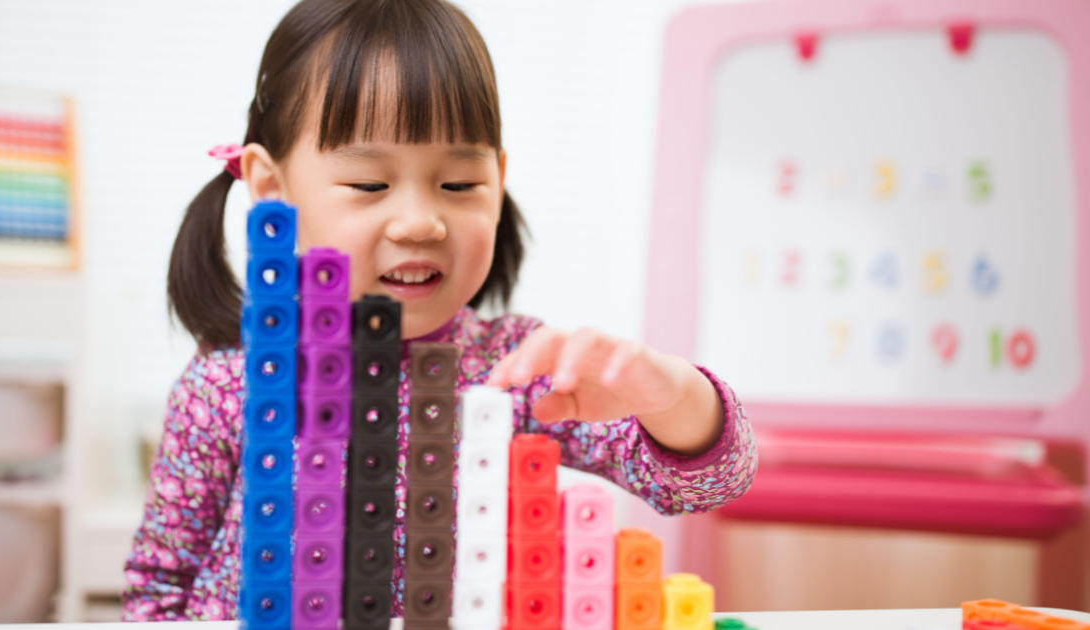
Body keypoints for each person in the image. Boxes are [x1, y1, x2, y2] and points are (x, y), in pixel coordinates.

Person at [122, 0, 756, 620]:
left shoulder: (516, 371)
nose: (422, 221)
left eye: (459, 184)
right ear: (271, 188)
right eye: (369, 184)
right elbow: (157, 588)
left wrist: (670, 394)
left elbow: (705, 482)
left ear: (498, 182)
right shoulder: (225, 387)